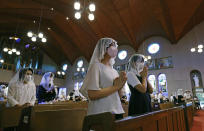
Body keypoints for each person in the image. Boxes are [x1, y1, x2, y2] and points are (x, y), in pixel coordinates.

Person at [80, 38, 127, 120]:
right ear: (104, 48)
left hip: (117, 110)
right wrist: (116, 87)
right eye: (112, 45)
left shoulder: (115, 71)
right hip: (101, 112)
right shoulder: (96, 66)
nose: (115, 48)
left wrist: (121, 85)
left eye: (115, 46)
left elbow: (117, 96)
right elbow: (92, 94)